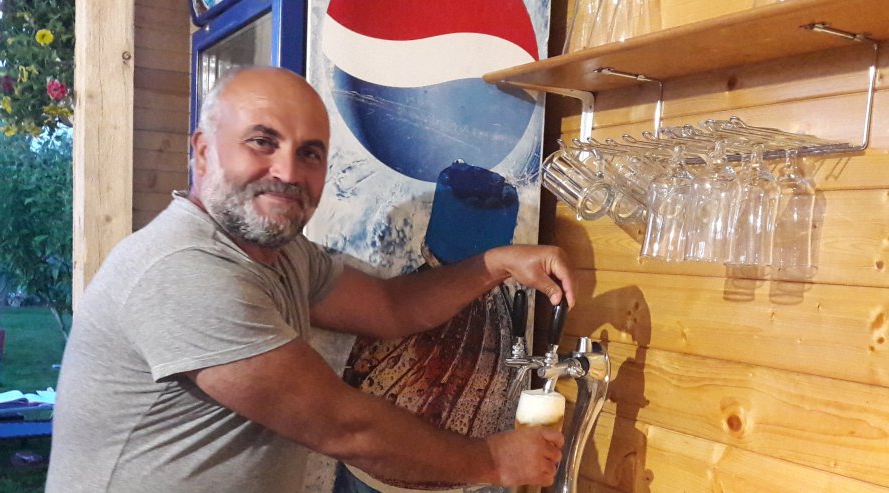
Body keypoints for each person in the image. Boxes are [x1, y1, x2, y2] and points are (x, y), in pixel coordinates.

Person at [46, 66, 576, 493]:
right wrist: (492, 460)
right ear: (203, 151)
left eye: (310, 153)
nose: (287, 172)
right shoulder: (182, 270)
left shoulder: (282, 255)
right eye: (262, 142)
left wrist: (496, 263)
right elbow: (343, 427)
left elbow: (392, 308)